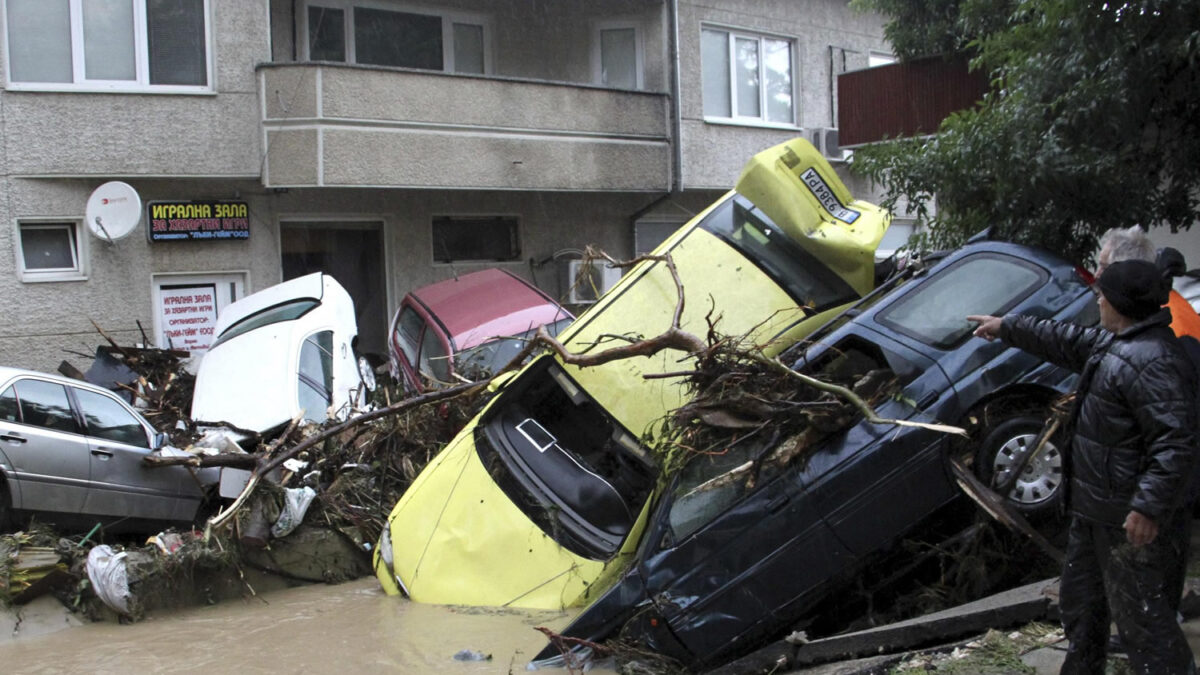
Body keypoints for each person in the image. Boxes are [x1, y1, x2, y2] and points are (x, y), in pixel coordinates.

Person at [968, 259, 1198, 674]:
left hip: (1125, 518)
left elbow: (1175, 442)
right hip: (1093, 512)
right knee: (1080, 607)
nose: (1097, 301)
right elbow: (1065, 339)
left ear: (1121, 304)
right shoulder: (1118, 342)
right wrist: (1006, 327)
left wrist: (1147, 507)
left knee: (1145, 626)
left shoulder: (1154, 361)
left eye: (1102, 296)